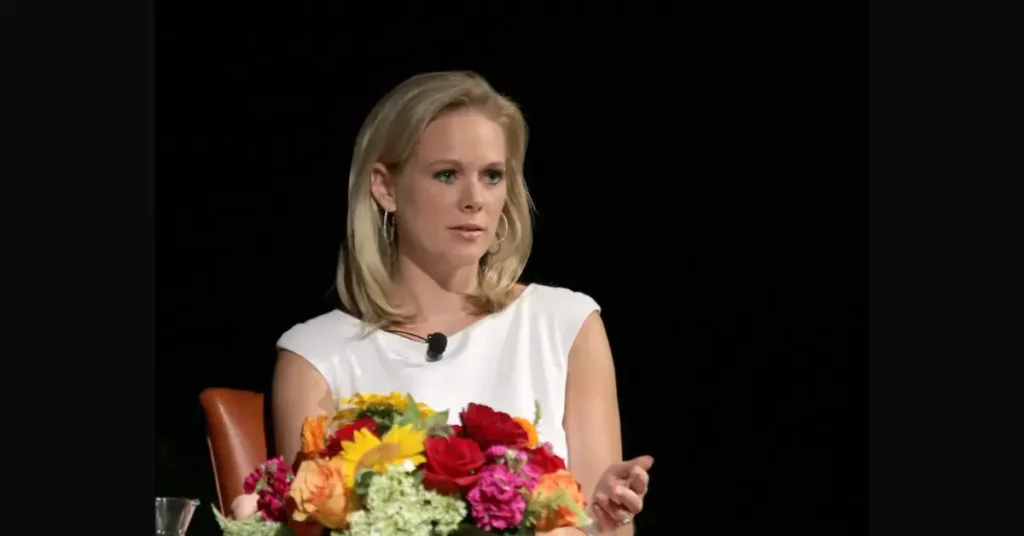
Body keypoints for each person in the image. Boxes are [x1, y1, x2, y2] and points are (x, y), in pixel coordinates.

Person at [241, 71, 653, 535]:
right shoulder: (315, 354)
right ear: (385, 187)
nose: (474, 199)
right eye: (446, 175)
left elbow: (607, 527)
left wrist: (605, 518)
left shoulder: (565, 325)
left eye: (492, 176)